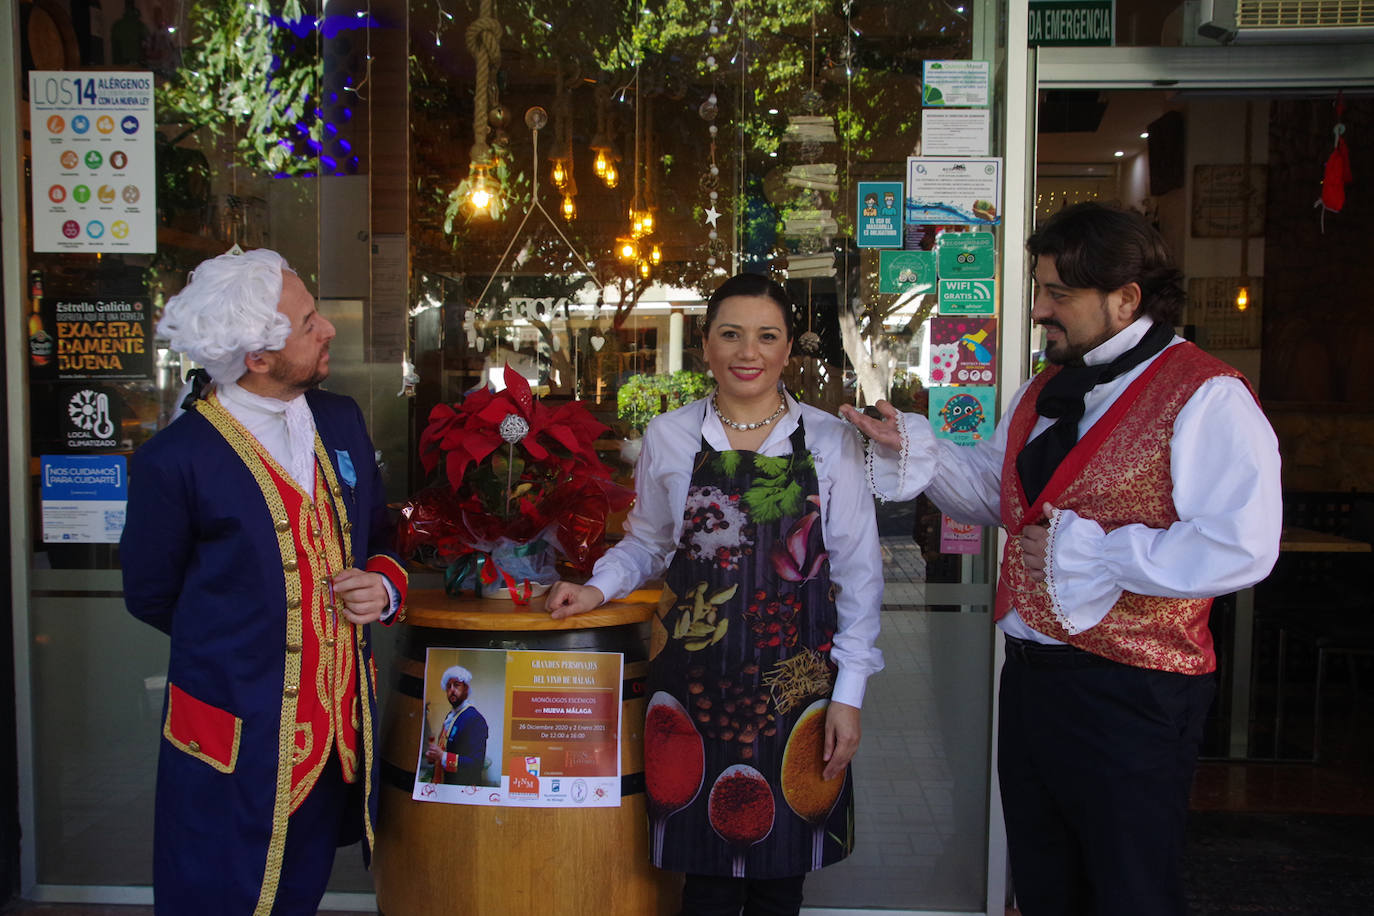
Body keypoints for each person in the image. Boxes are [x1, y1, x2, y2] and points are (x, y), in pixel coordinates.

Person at [842, 202, 1282, 916]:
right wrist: (915, 450)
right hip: (1033, 683)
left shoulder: (1208, 395)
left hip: (1134, 691)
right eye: (1040, 289)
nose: (1040, 309)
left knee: (1128, 889)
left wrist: (1103, 553)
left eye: (1058, 295)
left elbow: (1243, 543)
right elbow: (996, 490)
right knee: (1047, 883)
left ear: (1125, 298)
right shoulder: (1044, 390)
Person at [547, 273, 883, 916]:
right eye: (730, 334)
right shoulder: (670, 436)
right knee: (702, 881)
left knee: (783, 879)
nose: (747, 351)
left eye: (766, 336)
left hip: (798, 686)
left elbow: (859, 576)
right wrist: (597, 588)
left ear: (789, 350)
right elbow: (648, 543)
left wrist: (849, 696)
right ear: (706, 346)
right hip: (694, 681)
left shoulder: (832, 440)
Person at [121, 247, 409, 915]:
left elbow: (379, 538)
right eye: (309, 322)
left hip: (335, 743)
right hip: (232, 744)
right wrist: (255, 632)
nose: (328, 328)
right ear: (257, 357)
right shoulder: (176, 460)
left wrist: (383, 586)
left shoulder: (338, 419)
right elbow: (151, 595)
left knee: (297, 894)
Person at [426, 665, 489, 785]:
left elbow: (476, 764)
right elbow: (448, 748)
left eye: (456, 685)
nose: (452, 690)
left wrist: (443, 756)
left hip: (461, 789)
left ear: (466, 689)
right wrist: (435, 758)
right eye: (448, 686)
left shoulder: (475, 719)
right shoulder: (451, 715)